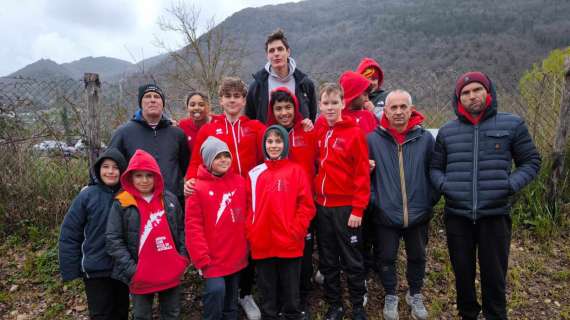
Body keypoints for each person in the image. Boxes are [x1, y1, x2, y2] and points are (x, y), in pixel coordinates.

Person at [430, 71, 541, 320]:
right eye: (465, 93)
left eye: (477, 90)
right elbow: (435, 168)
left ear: (488, 92)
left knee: (494, 275)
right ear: (459, 100)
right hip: (457, 216)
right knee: (463, 274)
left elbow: (531, 161)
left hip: (495, 215)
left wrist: (509, 184)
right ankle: (468, 314)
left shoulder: (511, 124)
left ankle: (496, 315)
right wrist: (446, 186)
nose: (472, 96)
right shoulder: (448, 131)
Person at [184, 77, 265, 320]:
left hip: (248, 195)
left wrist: (306, 123)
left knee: (245, 245)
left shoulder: (255, 127)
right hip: (217, 197)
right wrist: (189, 181)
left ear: (244, 100)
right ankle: (223, 294)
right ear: (220, 100)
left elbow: (276, 143)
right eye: (228, 96)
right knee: (224, 244)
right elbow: (196, 163)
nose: (232, 100)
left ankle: (245, 294)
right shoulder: (209, 129)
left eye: (237, 96)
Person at [367, 90, 438, 320]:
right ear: (385, 111)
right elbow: (363, 177)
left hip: (418, 212)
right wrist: (376, 203)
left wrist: (429, 200)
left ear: (411, 109)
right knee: (386, 257)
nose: (398, 112)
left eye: (402, 107)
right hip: (386, 214)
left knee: (418, 256)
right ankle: (390, 295)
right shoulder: (373, 140)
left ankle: (415, 293)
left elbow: (435, 172)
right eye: (393, 108)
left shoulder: (425, 138)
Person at [106, 149, 189, 320]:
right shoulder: (122, 202)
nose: (144, 180)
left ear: (157, 176)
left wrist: (182, 258)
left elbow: (182, 230)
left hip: (170, 271)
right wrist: (132, 270)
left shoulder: (169, 200)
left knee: (172, 313)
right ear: (130, 177)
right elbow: (113, 240)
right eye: (139, 175)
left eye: (149, 175)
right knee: (142, 316)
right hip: (141, 275)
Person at [246, 125, 316, 320]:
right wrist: (251, 232)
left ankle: (292, 315)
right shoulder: (254, 173)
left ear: (285, 144)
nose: (274, 145)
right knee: (267, 293)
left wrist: (296, 230)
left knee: (291, 292)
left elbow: (307, 206)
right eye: (270, 141)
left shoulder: (296, 171)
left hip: (289, 242)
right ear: (264, 145)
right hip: (262, 243)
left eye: (278, 141)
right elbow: (247, 208)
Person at [314, 83, 370, 320]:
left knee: (352, 259)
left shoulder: (353, 133)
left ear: (343, 104)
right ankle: (335, 305)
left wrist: (358, 208)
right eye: (325, 103)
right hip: (322, 207)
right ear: (319, 105)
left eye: (334, 102)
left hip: (346, 208)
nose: (330, 107)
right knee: (327, 259)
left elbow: (361, 174)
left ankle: (358, 306)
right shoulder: (318, 130)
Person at [59, 148, 129, 320]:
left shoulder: (128, 195)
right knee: (101, 313)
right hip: (95, 268)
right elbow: (70, 233)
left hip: (122, 267)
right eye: (106, 167)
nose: (110, 171)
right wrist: (70, 268)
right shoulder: (87, 196)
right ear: (98, 169)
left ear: (123, 170)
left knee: (121, 311)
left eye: (115, 167)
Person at [266, 88, 318, 318]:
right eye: (278, 108)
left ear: (296, 108)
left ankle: (301, 298)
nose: (284, 112)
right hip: (278, 209)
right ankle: (280, 300)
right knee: (280, 259)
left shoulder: (307, 131)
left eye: (288, 107)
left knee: (304, 257)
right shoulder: (270, 135)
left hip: (305, 206)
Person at [186, 136, 248, 320]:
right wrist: (201, 257)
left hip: (235, 254)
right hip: (211, 258)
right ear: (207, 160)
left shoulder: (239, 182)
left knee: (231, 300)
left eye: (226, 155)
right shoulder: (198, 188)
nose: (223, 160)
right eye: (217, 156)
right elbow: (193, 226)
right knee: (216, 292)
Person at [109, 83, 190, 205]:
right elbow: (109, 165)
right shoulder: (123, 133)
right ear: (141, 103)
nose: (152, 100)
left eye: (157, 97)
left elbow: (185, 167)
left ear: (162, 103)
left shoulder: (177, 134)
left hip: (173, 204)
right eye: (147, 96)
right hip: (136, 204)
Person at [246, 29, 317, 125]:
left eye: (280, 49)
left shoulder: (305, 84)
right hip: (268, 139)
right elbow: (250, 120)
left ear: (288, 52)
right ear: (267, 56)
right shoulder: (257, 86)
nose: (276, 54)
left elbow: (311, 116)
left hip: (298, 138)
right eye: (271, 51)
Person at [338, 70, 378, 135]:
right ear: (353, 94)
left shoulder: (368, 116)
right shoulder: (337, 117)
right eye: (364, 95)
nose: (367, 99)